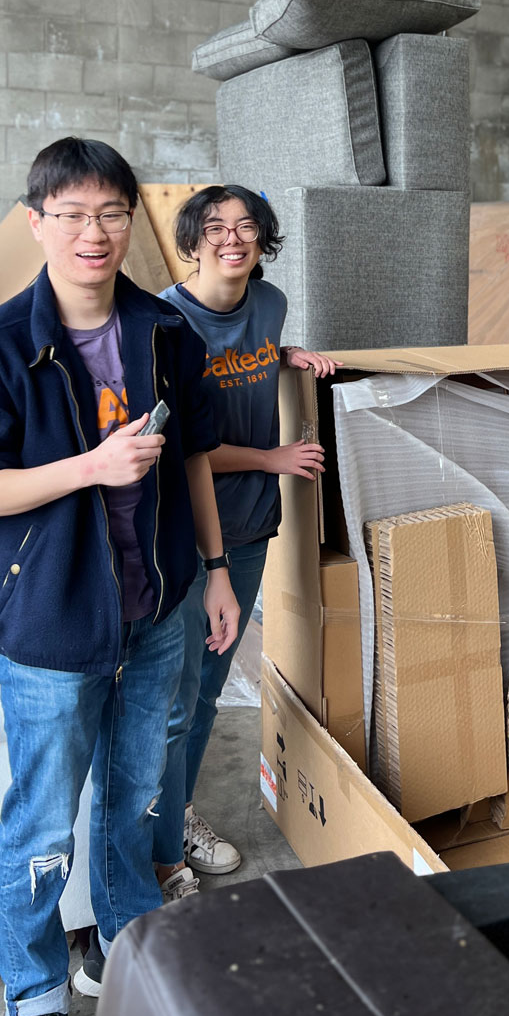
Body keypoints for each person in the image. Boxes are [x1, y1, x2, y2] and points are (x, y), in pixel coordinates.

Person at [0, 138, 240, 1016]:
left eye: (109, 213)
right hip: (53, 624)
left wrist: (213, 571)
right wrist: (90, 466)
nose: (92, 232)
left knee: (136, 800)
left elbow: (195, 457)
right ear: (37, 223)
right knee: (43, 827)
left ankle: (121, 954)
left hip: (158, 608)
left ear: (129, 224)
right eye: (71, 214)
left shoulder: (164, 331)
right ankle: (33, 994)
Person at [152, 184, 337, 900]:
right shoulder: (165, 322)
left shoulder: (271, 305)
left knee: (204, 695)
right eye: (216, 228)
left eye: (248, 228)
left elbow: (250, 357)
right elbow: (178, 444)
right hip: (190, 529)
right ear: (192, 241)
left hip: (255, 523)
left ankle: (177, 814)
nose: (233, 239)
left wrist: (282, 353)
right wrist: (273, 459)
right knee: (174, 697)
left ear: (263, 242)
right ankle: (160, 846)